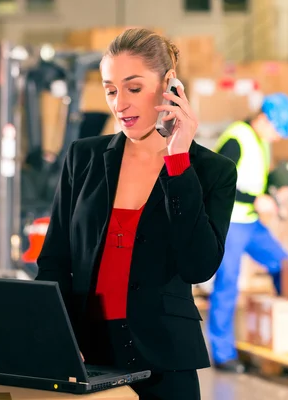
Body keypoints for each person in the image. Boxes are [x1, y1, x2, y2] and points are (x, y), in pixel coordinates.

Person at [35, 27, 237, 400]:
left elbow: (198, 266)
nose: (120, 104)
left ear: (169, 85)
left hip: (166, 363)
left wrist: (178, 161)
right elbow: (54, 262)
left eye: (134, 88)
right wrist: (55, 339)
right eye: (111, 90)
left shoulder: (211, 171)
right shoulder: (84, 158)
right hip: (86, 358)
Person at [209, 93, 288, 373]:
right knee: (227, 285)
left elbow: (255, 179)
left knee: (286, 266)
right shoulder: (237, 138)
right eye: (277, 130)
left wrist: (277, 186)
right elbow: (215, 181)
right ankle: (223, 355)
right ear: (264, 118)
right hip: (231, 224)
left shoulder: (261, 141)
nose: (278, 137)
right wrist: (253, 199)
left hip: (251, 224)